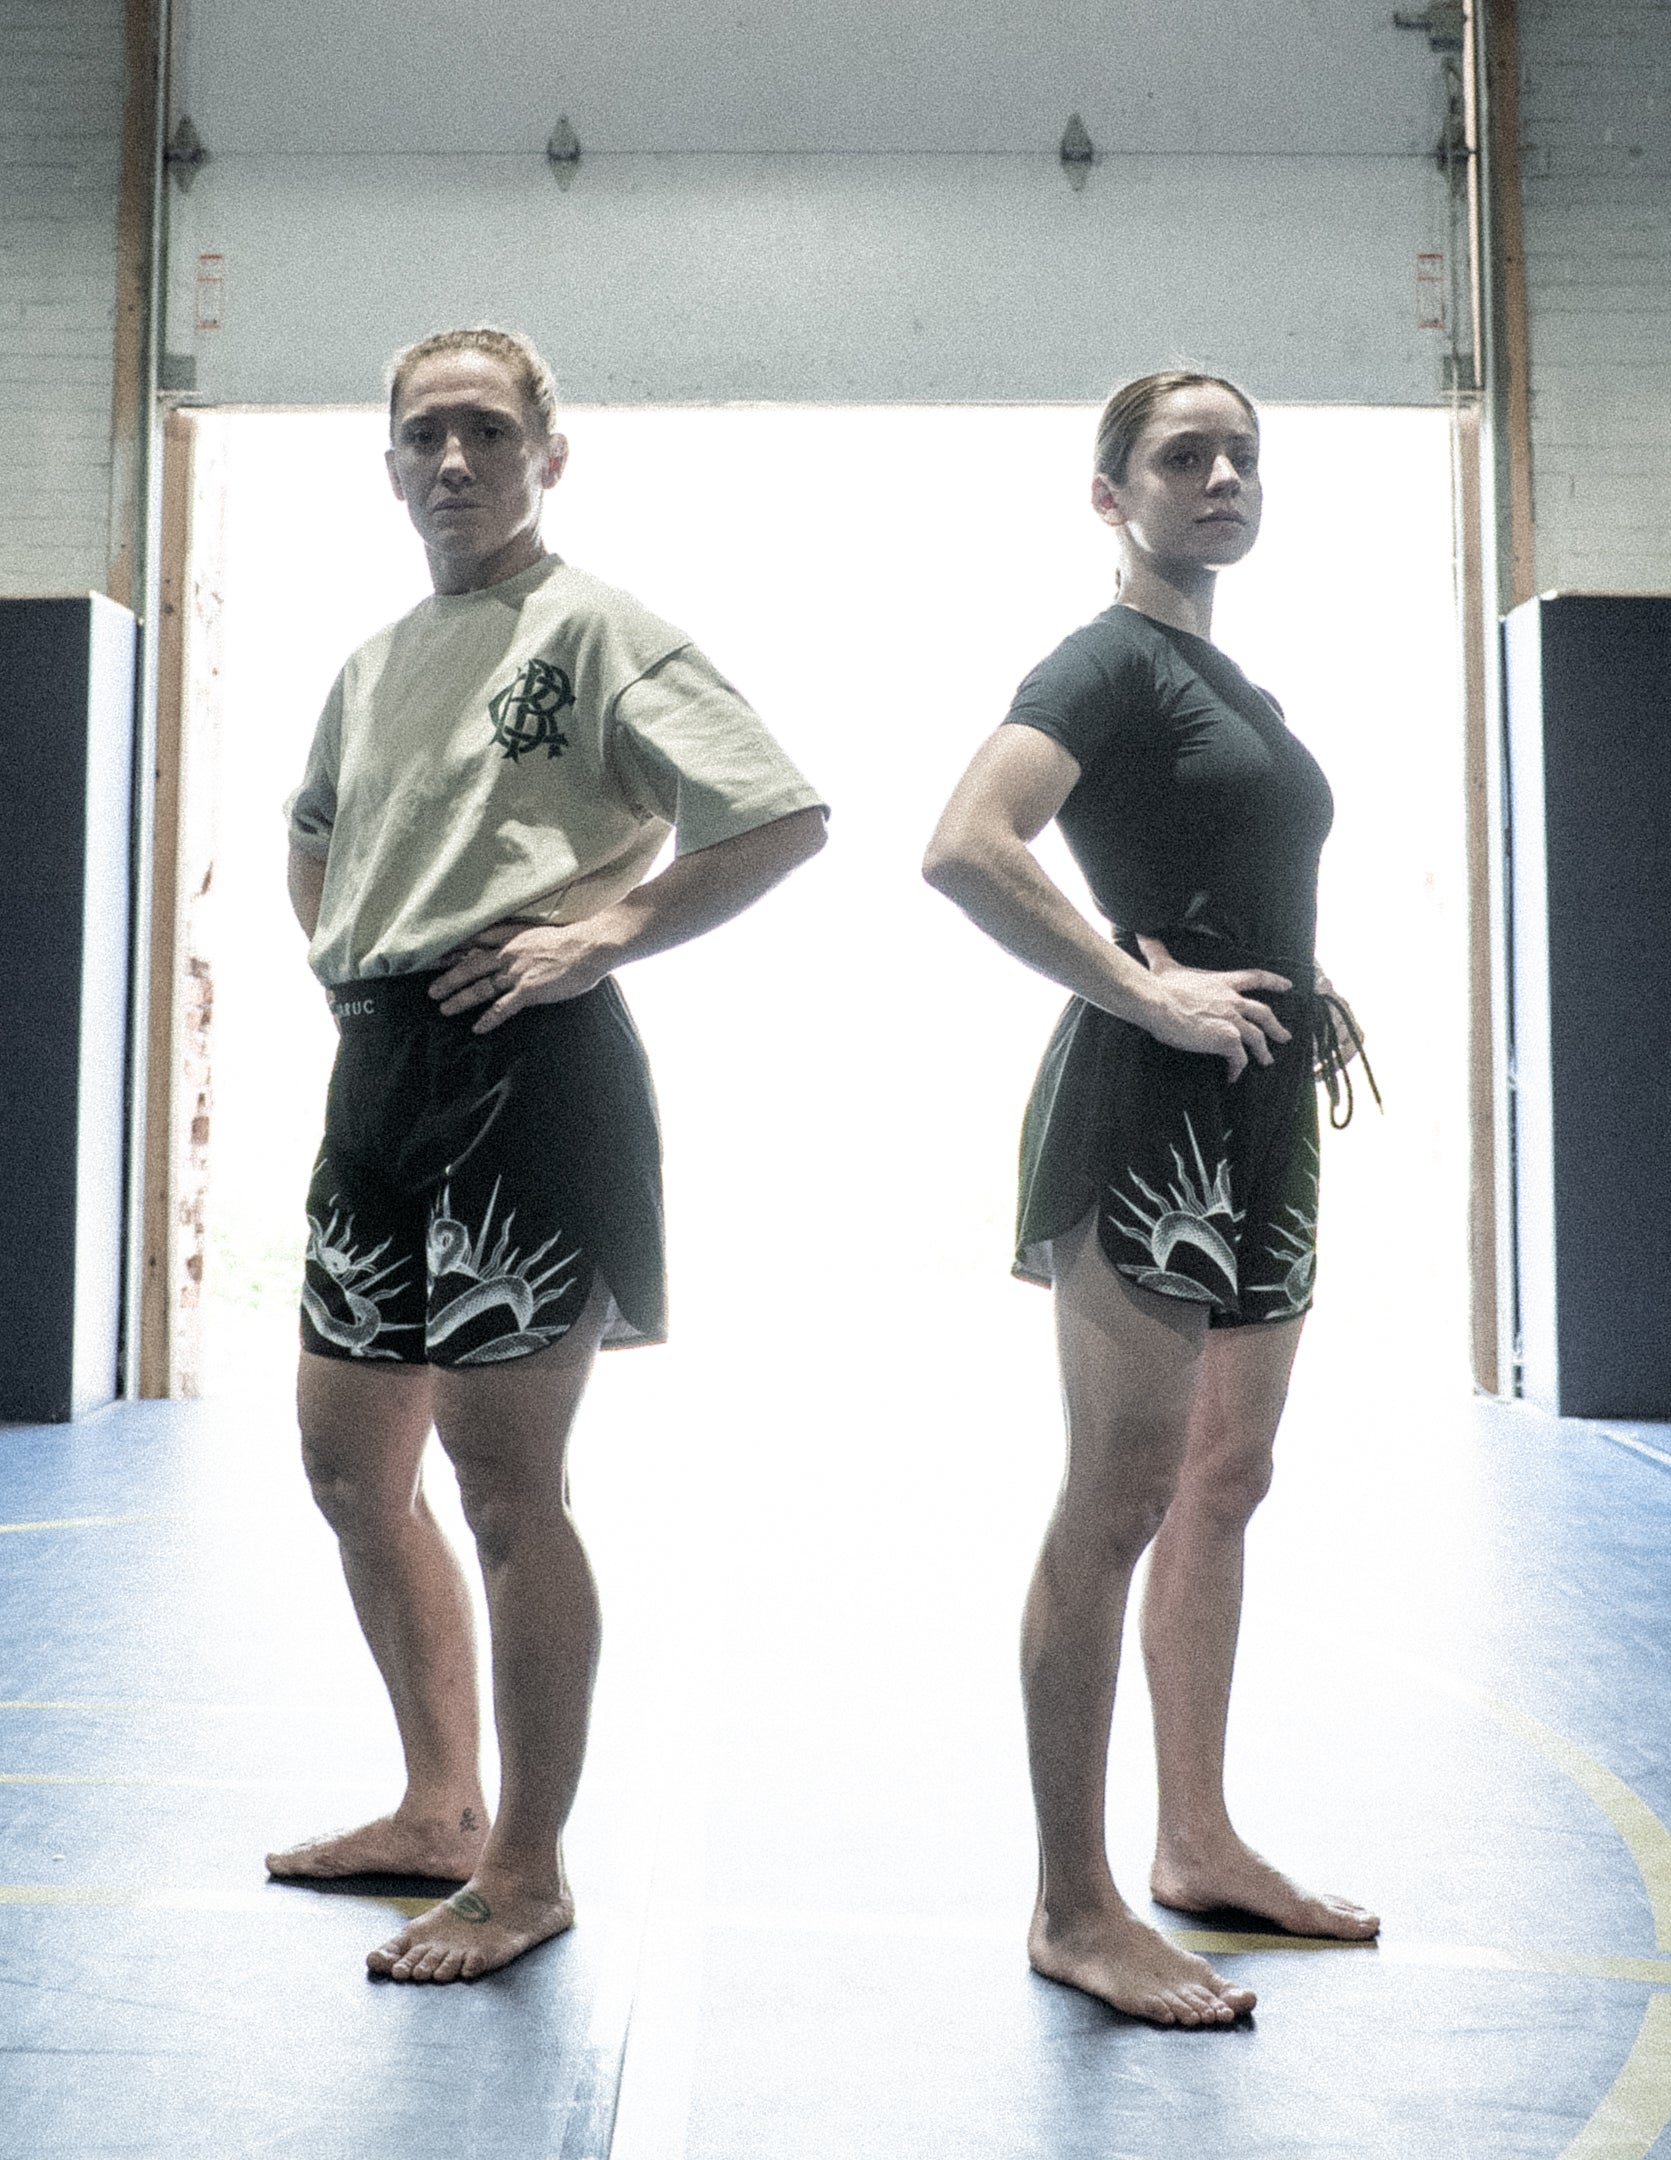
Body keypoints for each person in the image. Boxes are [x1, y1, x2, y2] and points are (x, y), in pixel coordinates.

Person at [266, 325, 826, 1984]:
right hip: (382, 1074)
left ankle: (525, 1868)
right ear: (389, 465)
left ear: (547, 456)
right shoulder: (374, 663)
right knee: (350, 1471)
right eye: (426, 434)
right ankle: (438, 1807)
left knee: (507, 1489)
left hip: (531, 1076)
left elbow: (779, 815)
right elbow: (315, 839)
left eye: (489, 432)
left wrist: (601, 936)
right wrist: (355, 967)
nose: (456, 459)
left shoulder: (597, 629)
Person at [922, 371, 1378, 2029]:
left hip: (1263, 1111)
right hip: (1147, 1109)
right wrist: (1145, 988)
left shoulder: (1230, 676)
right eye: (1185, 456)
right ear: (1111, 495)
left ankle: (1197, 1841)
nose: (1224, 476)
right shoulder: (1103, 661)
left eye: (1243, 453)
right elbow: (967, 843)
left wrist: (1272, 998)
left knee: (1225, 1481)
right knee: (1117, 1498)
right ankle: (1074, 1903)